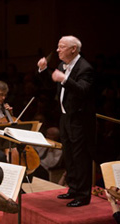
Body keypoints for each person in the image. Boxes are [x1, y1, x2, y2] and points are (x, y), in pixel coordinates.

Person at [37, 35, 96, 207]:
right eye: (58, 46)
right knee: (69, 155)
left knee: (80, 157)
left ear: (73, 49)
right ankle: (73, 188)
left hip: (80, 120)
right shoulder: (63, 65)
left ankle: (83, 195)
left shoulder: (85, 68)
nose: (58, 50)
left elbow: (83, 91)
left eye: (61, 47)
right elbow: (50, 84)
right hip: (65, 117)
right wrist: (43, 70)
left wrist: (65, 79)